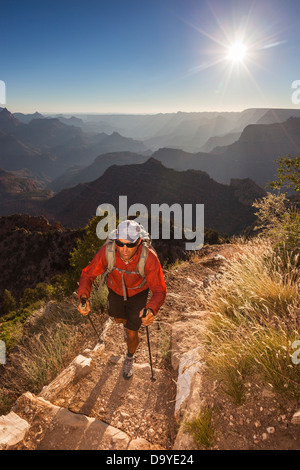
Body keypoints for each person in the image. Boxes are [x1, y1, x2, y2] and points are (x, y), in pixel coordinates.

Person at [77, 220, 166, 379]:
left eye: (130, 245)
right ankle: (126, 324)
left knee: (132, 334)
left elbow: (159, 290)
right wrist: (84, 297)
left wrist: (151, 309)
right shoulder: (108, 252)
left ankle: (130, 356)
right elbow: (88, 275)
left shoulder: (149, 258)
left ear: (139, 242)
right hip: (115, 292)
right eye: (120, 243)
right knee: (118, 318)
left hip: (138, 295)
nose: (124, 250)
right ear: (115, 240)